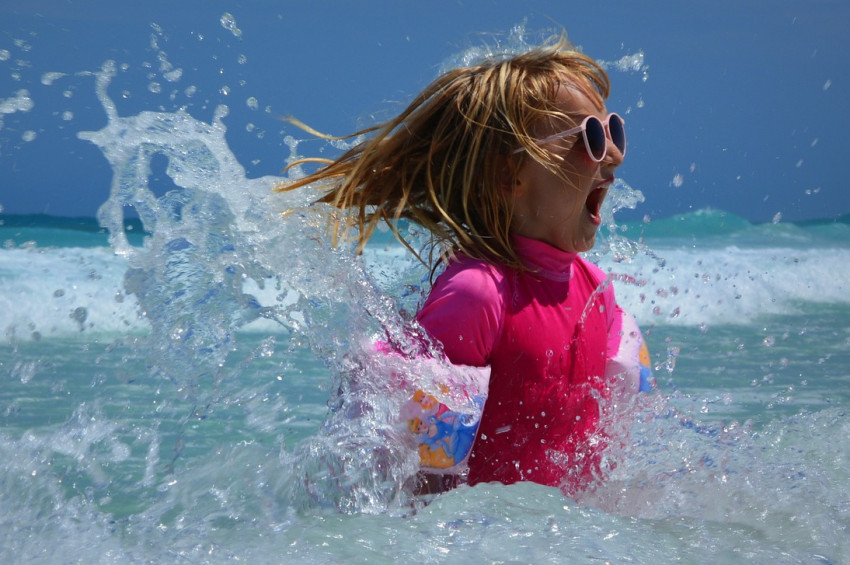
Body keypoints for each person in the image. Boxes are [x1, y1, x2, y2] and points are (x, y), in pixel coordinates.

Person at [278, 35, 651, 496]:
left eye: (613, 130)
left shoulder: (597, 291)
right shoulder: (478, 296)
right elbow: (418, 481)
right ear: (509, 175)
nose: (613, 155)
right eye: (589, 139)